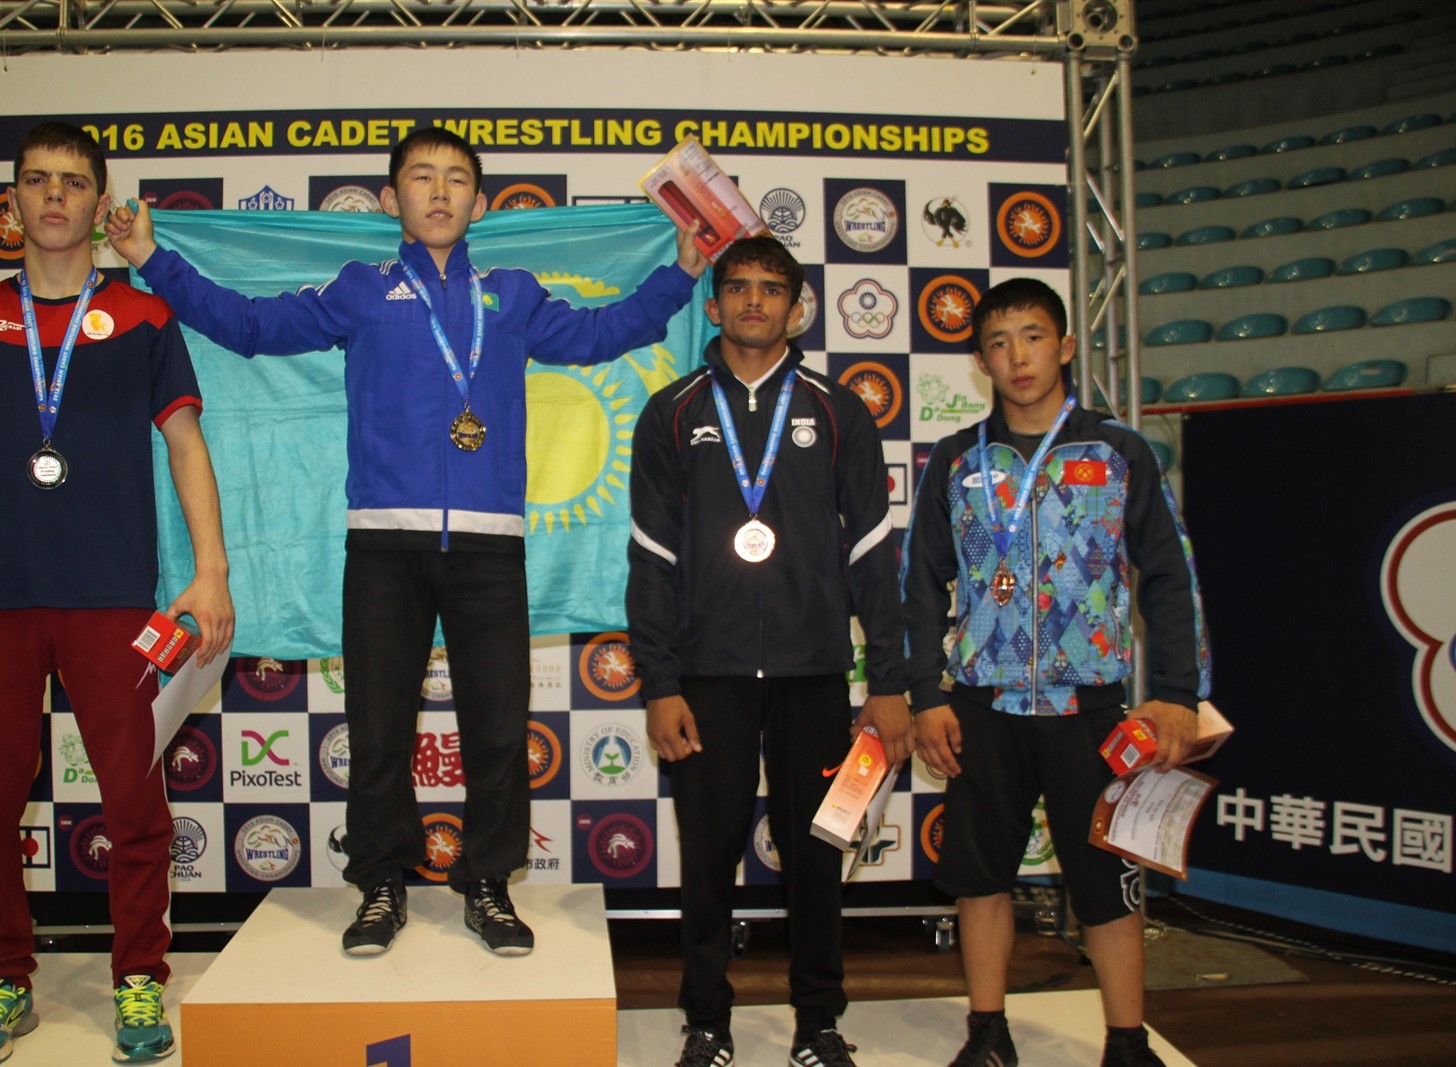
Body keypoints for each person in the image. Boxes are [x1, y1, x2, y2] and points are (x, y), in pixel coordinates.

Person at [106, 126, 706, 959]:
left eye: (456, 179)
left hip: (491, 547)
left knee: (498, 727)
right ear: (392, 200)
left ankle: (488, 882)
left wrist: (681, 272)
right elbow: (248, 324)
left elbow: (605, 334)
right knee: (379, 724)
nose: (439, 191)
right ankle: (381, 881)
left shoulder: (513, 295)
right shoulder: (361, 289)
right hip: (383, 548)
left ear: (480, 203)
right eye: (422, 177)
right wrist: (150, 257)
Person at [0, 121, 234, 1066]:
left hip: (112, 594)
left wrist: (210, 569)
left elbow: (186, 444)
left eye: (74, 182)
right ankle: (4, 978)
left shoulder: (142, 318)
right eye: (38, 180)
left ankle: (139, 977)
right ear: (10, 201)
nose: (55, 196)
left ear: (98, 202)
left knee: (132, 800)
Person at [902, 277, 1211, 1067]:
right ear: (980, 361)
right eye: (999, 343)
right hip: (982, 706)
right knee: (981, 881)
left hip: (1091, 709)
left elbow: (1170, 577)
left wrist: (1178, 694)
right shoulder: (956, 461)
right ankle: (988, 1031)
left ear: (1066, 345)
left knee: (1107, 884)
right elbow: (918, 584)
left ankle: (1127, 1041)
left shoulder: (1118, 451)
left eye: (1034, 336)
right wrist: (928, 694)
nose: (1019, 356)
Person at [625, 236, 913, 1067]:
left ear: (797, 307)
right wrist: (659, 683)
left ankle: (817, 1023)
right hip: (705, 677)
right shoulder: (672, 411)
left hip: (812, 673)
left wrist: (887, 680)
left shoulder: (839, 410)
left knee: (819, 854)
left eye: (773, 288)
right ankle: (706, 1024)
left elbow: (873, 555)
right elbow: (653, 557)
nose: (755, 301)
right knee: (708, 859)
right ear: (713, 304)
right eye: (740, 287)